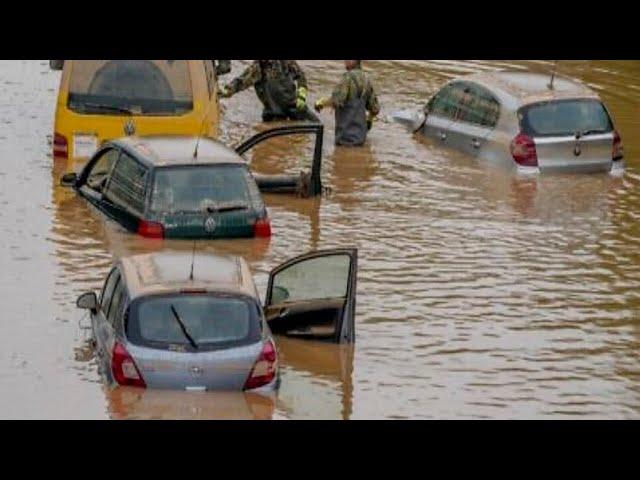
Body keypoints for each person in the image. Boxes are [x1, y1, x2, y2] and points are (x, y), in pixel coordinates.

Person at [219, 60, 319, 122]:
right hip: (273, 114)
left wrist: (301, 95)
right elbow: (240, 82)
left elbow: (301, 76)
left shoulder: (285, 62)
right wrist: (227, 91)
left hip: (295, 108)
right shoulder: (257, 68)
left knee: (317, 126)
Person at [314, 60, 380, 146]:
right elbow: (375, 108)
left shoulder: (347, 78)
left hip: (345, 137)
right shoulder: (366, 79)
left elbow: (337, 100)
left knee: (340, 156)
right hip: (360, 137)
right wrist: (369, 119)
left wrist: (321, 103)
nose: (345, 61)